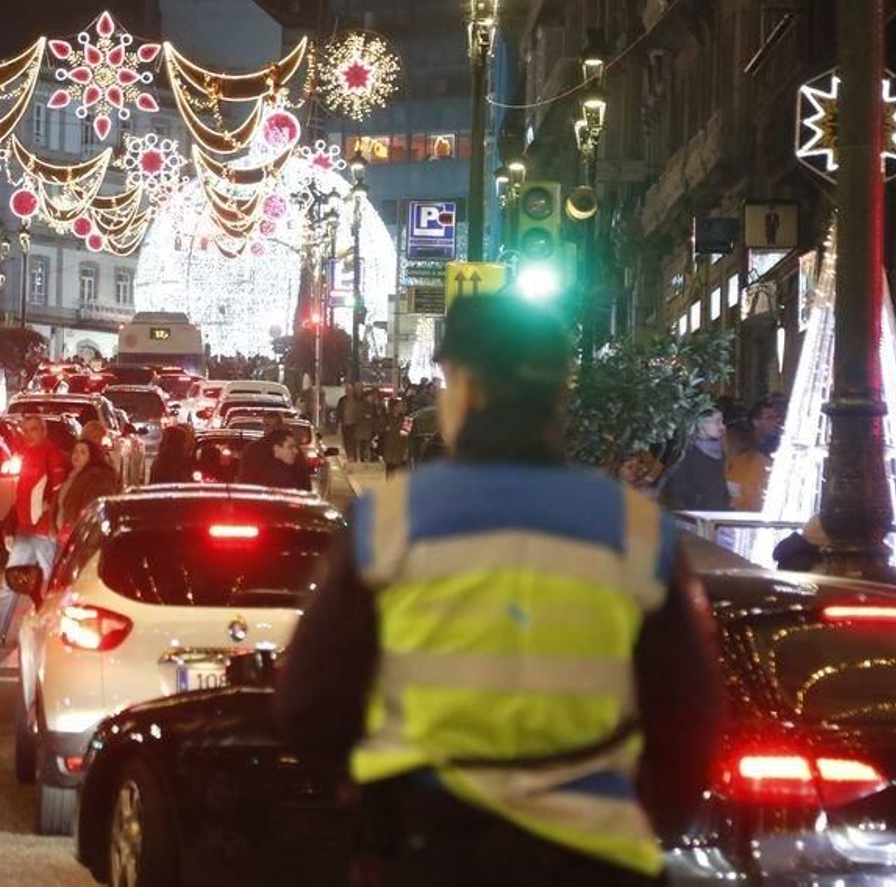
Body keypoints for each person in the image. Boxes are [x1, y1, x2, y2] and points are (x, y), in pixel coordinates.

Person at [276, 294, 724, 887]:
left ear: (464, 387)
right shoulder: (638, 531)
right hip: (593, 859)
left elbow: (310, 704)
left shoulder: (388, 522)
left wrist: (374, 809)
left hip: (430, 852)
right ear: (560, 396)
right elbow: (689, 719)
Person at [0, 414, 70, 647]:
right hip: (26, 529)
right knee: (12, 579)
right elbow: (21, 497)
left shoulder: (52, 455)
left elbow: (58, 494)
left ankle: (56, 635)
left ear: (44, 431)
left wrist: (50, 523)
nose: (28, 434)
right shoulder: (25, 455)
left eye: (33, 429)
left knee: (50, 583)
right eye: (25, 430)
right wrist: (10, 526)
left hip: (43, 532)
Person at [659, 408, 732, 512]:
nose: (722, 427)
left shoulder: (720, 451)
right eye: (717, 422)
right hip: (693, 516)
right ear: (700, 424)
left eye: (722, 422)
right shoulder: (684, 452)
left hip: (715, 515)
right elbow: (675, 492)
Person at [56, 439, 121, 537]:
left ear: (92, 456)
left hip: (80, 536)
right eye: (75, 451)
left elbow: (93, 509)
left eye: (83, 452)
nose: (77, 455)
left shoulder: (97, 478)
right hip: (66, 534)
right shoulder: (72, 476)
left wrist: (80, 529)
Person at [726, 399, 782, 512]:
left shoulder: (776, 448)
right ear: (755, 422)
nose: (776, 422)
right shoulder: (743, 452)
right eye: (769, 418)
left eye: (777, 418)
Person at [236, 427, 309, 490]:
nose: (296, 451)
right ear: (276, 449)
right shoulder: (282, 478)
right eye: (290, 447)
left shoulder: (296, 467)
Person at [379, 398, 413, 474]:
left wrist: (406, 449)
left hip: (400, 446)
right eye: (399, 405)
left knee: (402, 470)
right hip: (389, 446)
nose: (401, 407)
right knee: (390, 469)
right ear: (394, 407)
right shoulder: (387, 417)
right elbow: (379, 429)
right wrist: (385, 429)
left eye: (402, 406)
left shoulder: (404, 419)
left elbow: (407, 433)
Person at [339, 384, 364, 461]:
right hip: (345, 423)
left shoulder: (358, 400)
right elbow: (339, 411)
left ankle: (354, 457)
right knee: (347, 441)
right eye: (348, 390)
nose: (349, 392)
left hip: (355, 423)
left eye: (351, 390)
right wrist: (339, 422)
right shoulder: (342, 400)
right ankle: (349, 456)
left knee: (354, 441)